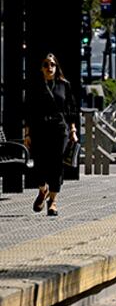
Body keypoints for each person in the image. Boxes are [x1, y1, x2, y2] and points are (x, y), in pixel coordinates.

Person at [23, 54, 78, 217]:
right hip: (40, 129)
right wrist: (27, 133)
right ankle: (42, 190)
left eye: (52, 64)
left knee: (56, 165)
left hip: (60, 130)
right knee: (40, 163)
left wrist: (73, 130)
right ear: (41, 68)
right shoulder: (35, 87)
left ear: (56, 67)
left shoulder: (64, 85)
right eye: (46, 64)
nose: (49, 67)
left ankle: (53, 201)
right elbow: (28, 111)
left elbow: (71, 109)